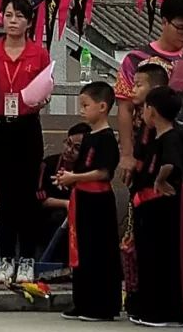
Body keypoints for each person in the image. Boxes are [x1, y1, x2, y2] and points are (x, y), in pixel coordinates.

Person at [0, 0, 52, 286]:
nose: (12, 21)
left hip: (27, 126)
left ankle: (28, 260)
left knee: (27, 196)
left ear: (29, 21)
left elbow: (44, 92)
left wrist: (42, 98)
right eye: (8, 15)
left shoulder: (38, 54)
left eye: (19, 16)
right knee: (6, 196)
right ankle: (6, 259)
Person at [115, 0, 183, 185]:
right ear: (165, 22)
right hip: (146, 146)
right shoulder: (136, 59)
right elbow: (125, 108)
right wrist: (126, 154)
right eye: (181, 28)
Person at [56, 81, 122, 323]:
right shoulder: (89, 136)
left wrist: (75, 177)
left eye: (86, 105)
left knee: (98, 252)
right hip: (82, 197)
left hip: (98, 200)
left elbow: (104, 172)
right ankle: (82, 301)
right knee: (81, 250)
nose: (81, 109)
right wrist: (68, 179)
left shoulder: (106, 138)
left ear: (102, 106)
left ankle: (101, 305)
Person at [131, 86, 183, 327]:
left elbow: (170, 163)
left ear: (151, 111)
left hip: (161, 206)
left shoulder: (171, 137)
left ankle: (161, 311)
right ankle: (153, 307)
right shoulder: (157, 137)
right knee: (150, 257)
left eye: (144, 108)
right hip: (148, 205)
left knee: (160, 258)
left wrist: (160, 180)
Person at [35, 123, 89, 264]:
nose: (69, 150)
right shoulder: (48, 164)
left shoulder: (87, 171)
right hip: (47, 216)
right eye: (68, 143)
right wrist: (66, 204)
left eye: (77, 148)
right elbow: (40, 198)